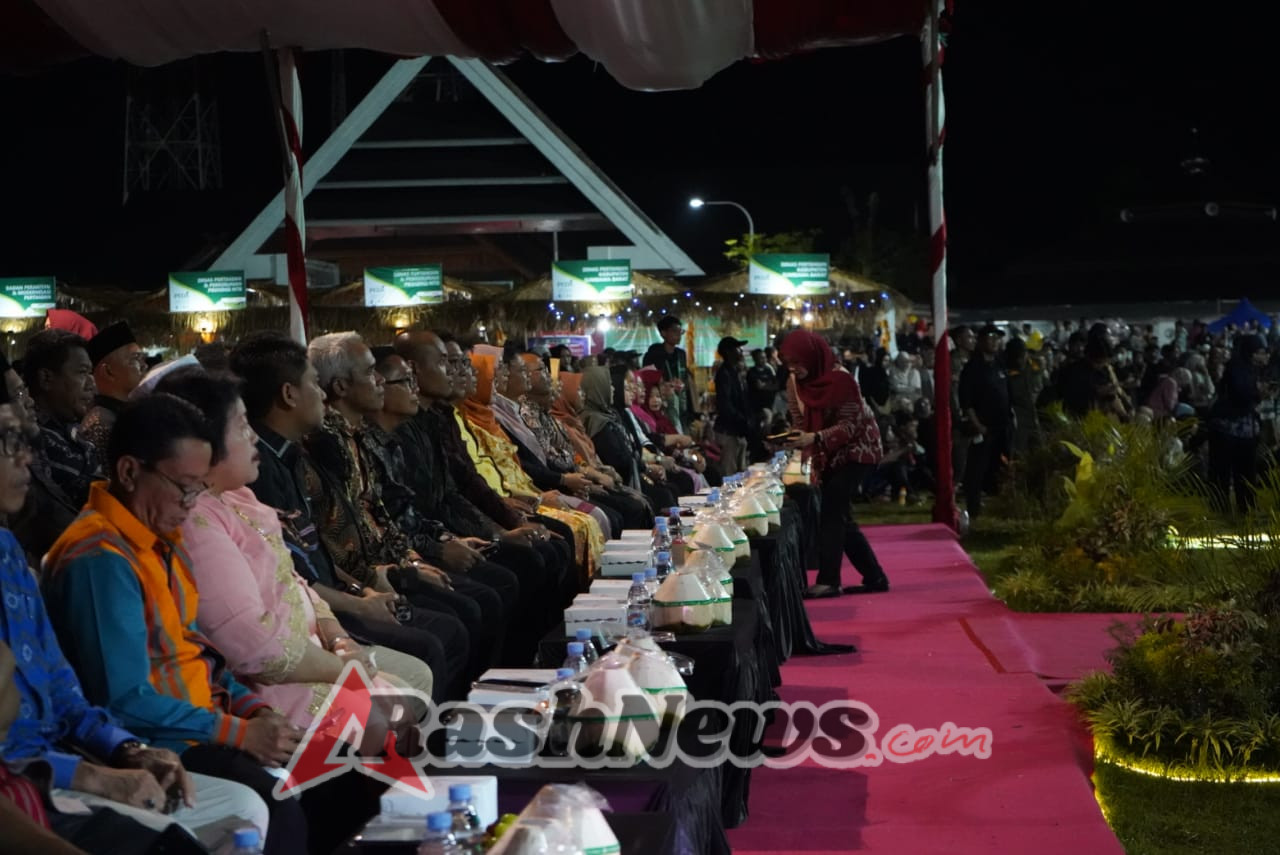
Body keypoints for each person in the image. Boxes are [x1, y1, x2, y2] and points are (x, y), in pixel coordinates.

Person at [39, 394, 319, 855]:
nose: (194, 503)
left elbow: (197, 651)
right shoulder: (99, 559)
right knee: (277, 798)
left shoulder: (157, 540)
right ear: (130, 471)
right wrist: (237, 732)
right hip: (160, 742)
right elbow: (125, 699)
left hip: (198, 722)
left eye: (200, 488)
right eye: (186, 487)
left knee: (313, 767)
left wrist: (251, 710)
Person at [157, 367, 432, 735]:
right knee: (390, 717)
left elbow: (296, 581)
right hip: (274, 687)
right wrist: (343, 669)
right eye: (241, 426)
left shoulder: (239, 497)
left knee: (405, 701)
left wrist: (340, 640)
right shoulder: (196, 522)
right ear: (203, 443)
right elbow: (254, 648)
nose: (253, 436)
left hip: (315, 653)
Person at [229, 332, 462, 706]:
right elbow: (292, 575)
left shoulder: (290, 457)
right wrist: (360, 600)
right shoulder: (262, 472)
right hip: (309, 618)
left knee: (454, 615)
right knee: (433, 644)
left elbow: (315, 556)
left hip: (337, 597)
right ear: (289, 394)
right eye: (313, 385)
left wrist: (365, 588)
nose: (321, 395)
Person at [302, 333, 472, 698]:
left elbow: (380, 509)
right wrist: (389, 573)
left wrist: (411, 559)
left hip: (381, 569)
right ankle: (438, 737)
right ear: (340, 386)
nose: (378, 379)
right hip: (358, 583)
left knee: (471, 604)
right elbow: (338, 537)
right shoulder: (324, 445)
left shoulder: (355, 436)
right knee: (453, 624)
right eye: (370, 373)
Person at [777, 330, 888, 600]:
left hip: (859, 451)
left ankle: (829, 581)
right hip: (829, 452)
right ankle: (875, 577)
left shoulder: (841, 380)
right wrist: (791, 439)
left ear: (813, 357)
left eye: (798, 361)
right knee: (841, 517)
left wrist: (814, 438)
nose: (793, 368)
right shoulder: (795, 382)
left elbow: (850, 426)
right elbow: (799, 420)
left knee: (831, 511)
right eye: (788, 362)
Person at [24, 329, 100, 508]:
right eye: (82, 373)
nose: (92, 384)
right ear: (46, 379)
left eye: (90, 372)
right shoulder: (29, 439)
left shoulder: (70, 428)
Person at [1207, 335, 1268, 513]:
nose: (1264, 356)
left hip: (1240, 430)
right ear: (1252, 352)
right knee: (1226, 473)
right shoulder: (1238, 368)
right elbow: (1241, 395)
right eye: (1261, 352)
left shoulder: (1246, 368)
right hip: (1229, 429)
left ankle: (1245, 508)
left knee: (1245, 472)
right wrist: (1258, 395)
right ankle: (1222, 510)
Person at [958, 324, 1011, 518]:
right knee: (977, 470)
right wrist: (978, 425)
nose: (995, 341)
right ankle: (974, 509)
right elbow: (966, 401)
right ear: (980, 341)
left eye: (997, 337)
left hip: (1002, 427)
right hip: (983, 428)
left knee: (1002, 469)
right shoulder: (972, 369)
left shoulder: (999, 364)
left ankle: (1001, 508)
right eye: (990, 337)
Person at [80, 322, 146, 471]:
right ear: (108, 371)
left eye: (142, 358)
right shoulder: (99, 424)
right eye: (135, 359)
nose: (144, 365)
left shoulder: (117, 414)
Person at [642, 315, 695, 432]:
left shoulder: (681, 354)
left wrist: (681, 383)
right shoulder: (653, 354)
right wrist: (665, 384)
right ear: (663, 333)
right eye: (674, 331)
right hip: (663, 398)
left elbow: (684, 375)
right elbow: (647, 379)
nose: (678, 335)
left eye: (680, 331)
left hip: (681, 397)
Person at [713, 337, 752, 474]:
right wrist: (742, 420)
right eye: (738, 348)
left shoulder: (734, 372)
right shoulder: (724, 374)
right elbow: (725, 404)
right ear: (729, 352)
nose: (741, 351)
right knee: (730, 475)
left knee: (741, 472)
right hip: (729, 432)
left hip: (737, 431)